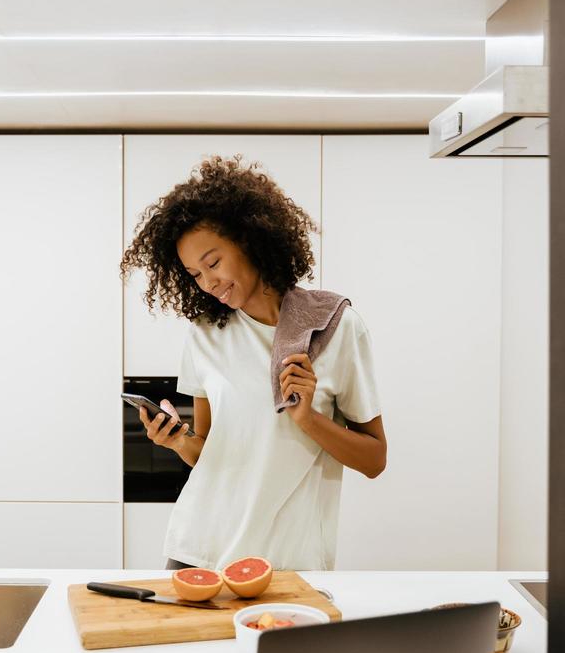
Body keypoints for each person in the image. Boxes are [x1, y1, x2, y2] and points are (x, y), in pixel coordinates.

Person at [120, 153, 387, 572]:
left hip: (288, 561)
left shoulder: (336, 327)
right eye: (194, 274)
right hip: (198, 552)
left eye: (213, 262)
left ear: (250, 241)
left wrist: (308, 419)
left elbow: (374, 460)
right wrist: (175, 440)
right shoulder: (205, 333)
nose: (207, 283)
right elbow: (208, 453)